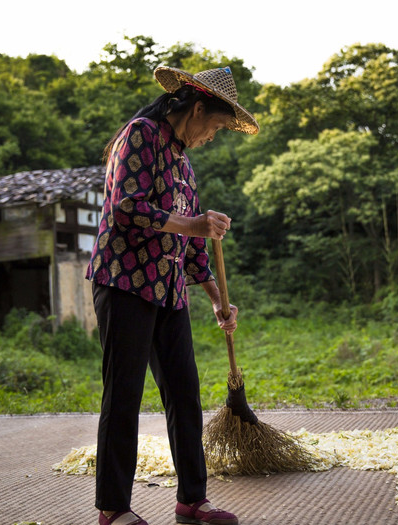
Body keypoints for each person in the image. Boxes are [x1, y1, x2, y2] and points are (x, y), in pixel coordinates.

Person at [85, 66, 259, 525]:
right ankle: (113, 509)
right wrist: (193, 224)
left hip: (167, 290)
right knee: (123, 394)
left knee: (184, 393)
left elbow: (193, 247)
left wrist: (218, 298)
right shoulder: (140, 135)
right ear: (197, 109)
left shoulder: (183, 163)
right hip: (123, 282)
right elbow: (127, 207)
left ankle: (192, 500)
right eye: (217, 126)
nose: (214, 137)